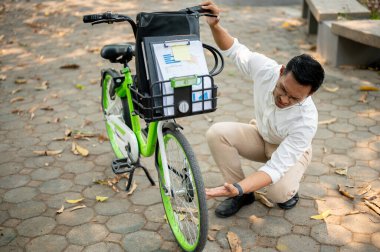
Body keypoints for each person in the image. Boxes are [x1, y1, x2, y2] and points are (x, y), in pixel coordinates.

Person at [201, 1, 325, 218]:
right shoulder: (266, 69)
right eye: (283, 89)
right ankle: (241, 194)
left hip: (289, 149)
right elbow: (233, 49)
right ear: (282, 72)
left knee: (278, 193)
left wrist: (244, 184)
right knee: (217, 133)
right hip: (261, 134)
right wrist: (214, 25)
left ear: (309, 95)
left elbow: (275, 168)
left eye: (294, 98)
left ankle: (286, 189)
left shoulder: (307, 120)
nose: (284, 100)